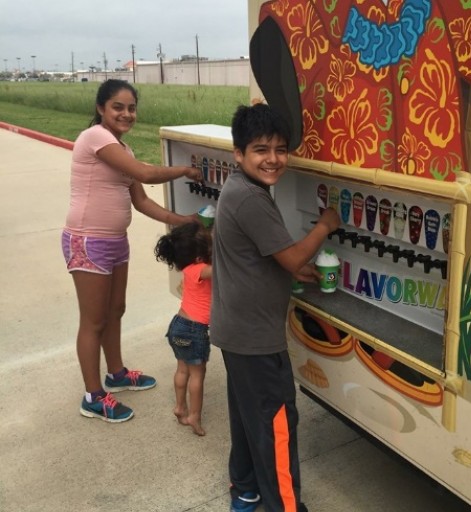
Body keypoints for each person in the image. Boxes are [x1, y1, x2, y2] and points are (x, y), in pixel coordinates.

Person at [210, 104, 341, 512]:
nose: (273, 159)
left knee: (250, 417)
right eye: (260, 149)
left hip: (236, 331)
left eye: (280, 149)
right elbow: (288, 257)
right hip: (255, 338)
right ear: (239, 153)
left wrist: (292, 271)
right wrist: (325, 225)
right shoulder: (251, 198)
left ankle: (245, 489)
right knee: (277, 424)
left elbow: (267, 257)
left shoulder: (240, 188)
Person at [62, 79, 203, 423]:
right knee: (93, 321)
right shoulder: (95, 137)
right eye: (118, 107)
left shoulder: (123, 151)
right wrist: (184, 169)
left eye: (131, 108)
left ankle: (116, 373)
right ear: (101, 109)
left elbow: (140, 201)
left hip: (114, 242)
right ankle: (93, 396)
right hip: (87, 240)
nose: (127, 114)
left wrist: (183, 219)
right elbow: (146, 174)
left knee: (116, 310)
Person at [155, 223, 212, 436]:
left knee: (182, 369)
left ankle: (180, 407)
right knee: (198, 375)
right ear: (198, 257)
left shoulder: (187, 268)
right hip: (194, 330)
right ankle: (194, 416)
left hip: (178, 325)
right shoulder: (200, 269)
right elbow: (222, 268)